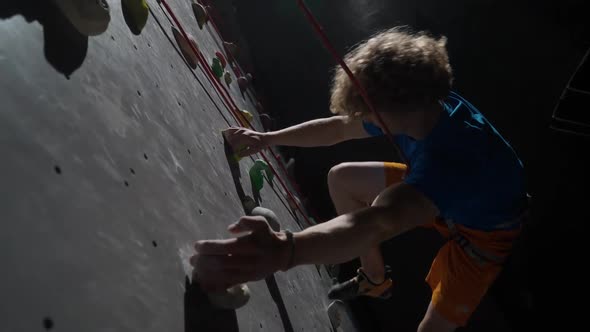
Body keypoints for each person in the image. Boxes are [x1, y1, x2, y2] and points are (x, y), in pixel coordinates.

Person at [190, 27, 527, 331]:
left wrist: (287, 250)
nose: (363, 120)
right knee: (343, 179)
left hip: (482, 234)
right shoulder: (421, 102)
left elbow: (378, 222)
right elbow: (338, 129)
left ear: (396, 109)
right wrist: (267, 138)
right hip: (446, 188)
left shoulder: (451, 161)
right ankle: (375, 279)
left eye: (368, 114)